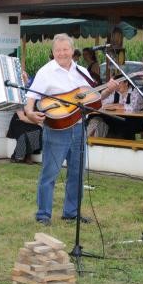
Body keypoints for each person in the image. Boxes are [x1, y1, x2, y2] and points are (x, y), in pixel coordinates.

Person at [24, 33, 117, 226]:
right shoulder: (45, 72)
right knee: (50, 173)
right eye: (58, 50)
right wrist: (30, 113)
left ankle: (71, 212)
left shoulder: (81, 71)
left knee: (77, 172)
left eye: (65, 49)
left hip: (78, 128)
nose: (62, 53)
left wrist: (109, 88)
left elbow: (95, 99)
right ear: (53, 52)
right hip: (56, 129)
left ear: (72, 50)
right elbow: (31, 97)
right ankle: (43, 215)